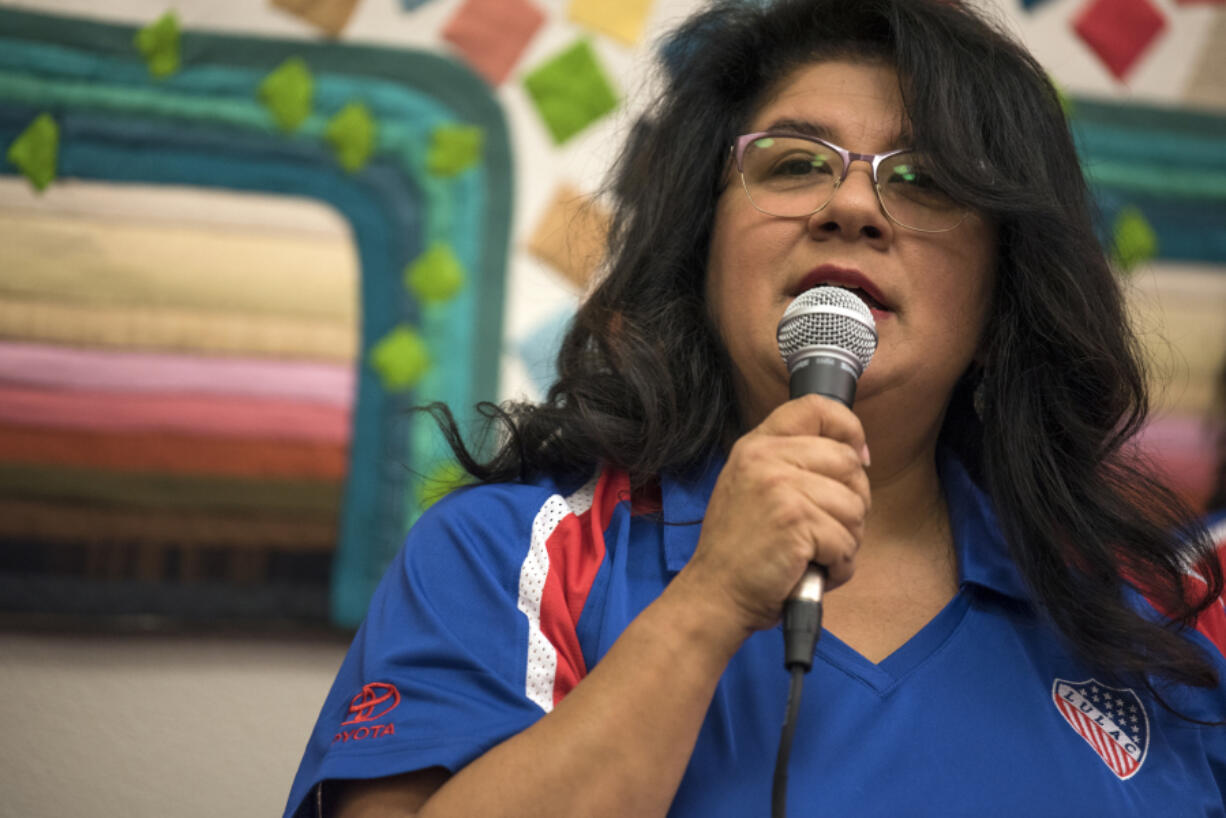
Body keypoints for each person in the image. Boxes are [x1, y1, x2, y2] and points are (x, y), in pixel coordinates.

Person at [284, 0, 1226, 815]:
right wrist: (711, 601)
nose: (852, 206)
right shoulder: (503, 556)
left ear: (1001, 289)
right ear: (704, 251)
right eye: (793, 163)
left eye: (924, 178)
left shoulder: (1160, 617)